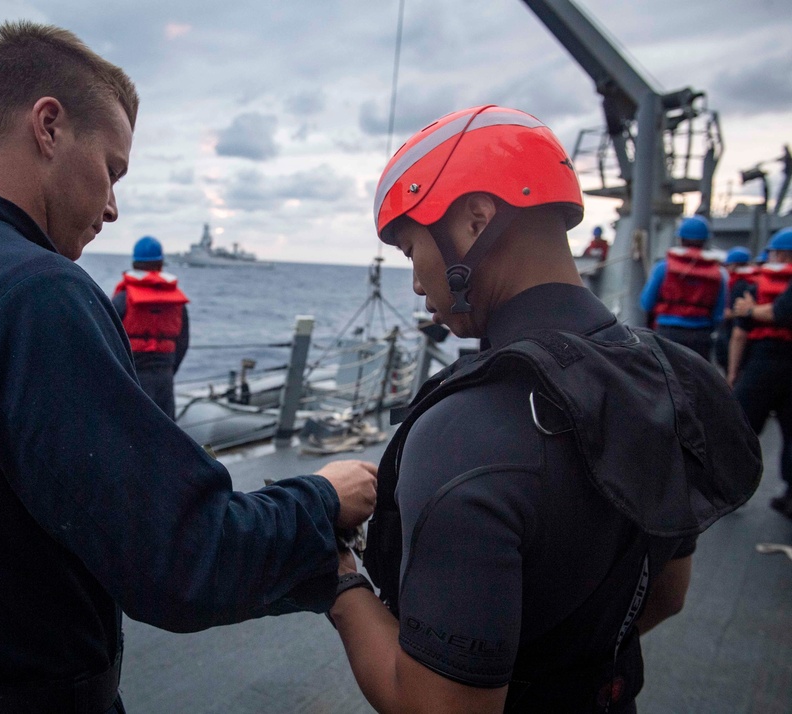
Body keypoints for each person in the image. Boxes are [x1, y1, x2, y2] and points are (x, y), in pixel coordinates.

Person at [0, 22, 378, 713]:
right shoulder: (35, 293)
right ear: (47, 126)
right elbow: (179, 559)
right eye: (111, 170)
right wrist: (320, 500)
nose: (112, 206)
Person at [324, 105, 761, 713]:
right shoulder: (673, 379)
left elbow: (437, 706)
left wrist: (340, 579)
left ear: (475, 220)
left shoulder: (461, 434)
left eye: (409, 248)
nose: (417, 281)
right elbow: (667, 597)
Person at [729, 228, 792, 519]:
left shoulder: (755, 288)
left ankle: (731, 490)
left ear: (777, 255)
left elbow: (740, 335)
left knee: (738, 426)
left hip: (765, 362)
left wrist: (732, 375)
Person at [111, 236, 189, 419]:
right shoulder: (177, 302)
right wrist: (169, 369)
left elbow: (109, 338)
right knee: (165, 432)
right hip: (165, 377)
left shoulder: (122, 299)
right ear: (161, 263)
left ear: (134, 263)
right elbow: (183, 342)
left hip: (132, 377)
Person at [639, 215, 727, 360]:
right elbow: (719, 314)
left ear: (680, 239)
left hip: (666, 334)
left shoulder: (663, 268)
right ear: (705, 241)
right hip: (701, 337)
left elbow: (646, 303)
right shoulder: (719, 274)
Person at [714, 246, 753, 370]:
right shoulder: (754, 282)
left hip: (733, 333)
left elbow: (732, 311)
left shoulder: (738, 284)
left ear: (734, 265)